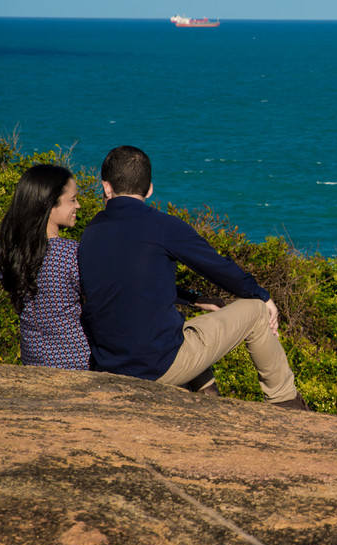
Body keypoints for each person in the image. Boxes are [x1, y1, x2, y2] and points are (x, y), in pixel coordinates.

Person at [78, 145, 309, 410]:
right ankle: (287, 405)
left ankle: (208, 398)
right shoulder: (163, 227)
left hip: (110, 364)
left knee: (181, 327)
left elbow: (129, 284)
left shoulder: (91, 232)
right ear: (150, 189)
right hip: (156, 368)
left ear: (106, 187)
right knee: (255, 311)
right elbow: (218, 268)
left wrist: (195, 299)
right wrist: (262, 295)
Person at [0, 163, 91, 370]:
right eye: (72, 200)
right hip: (76, 361)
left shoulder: (14, 253)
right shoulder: (72, 253)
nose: (78, 206)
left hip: (33, 361)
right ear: (49, 204)